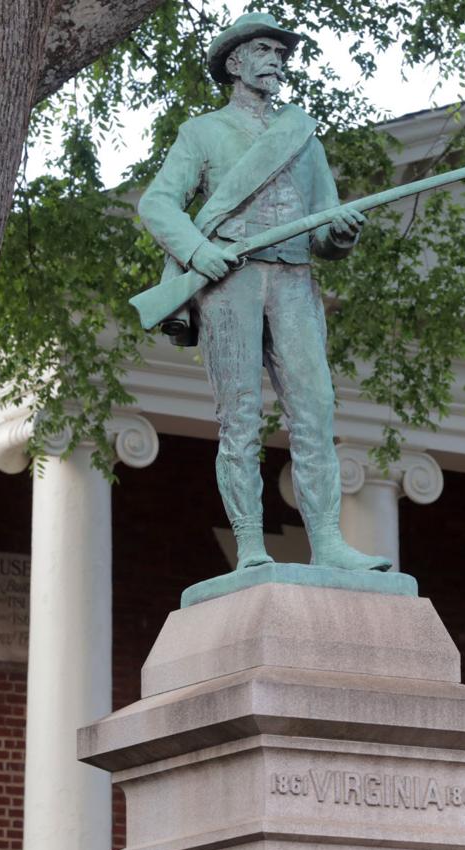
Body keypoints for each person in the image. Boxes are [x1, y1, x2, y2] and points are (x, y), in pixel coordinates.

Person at [138, 12, 390, 573]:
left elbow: (324, 227)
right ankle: (250, 545)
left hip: (295, 278)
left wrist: (339, 233)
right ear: (235, 63)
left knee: (316, 409)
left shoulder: (302, 136)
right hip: (231, 280)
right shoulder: (201, 132)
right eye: (263, 50)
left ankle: (327, 541)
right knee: (241, 417)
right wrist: (200, 253)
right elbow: (156, 204)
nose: (276, 59)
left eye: (280, 51)